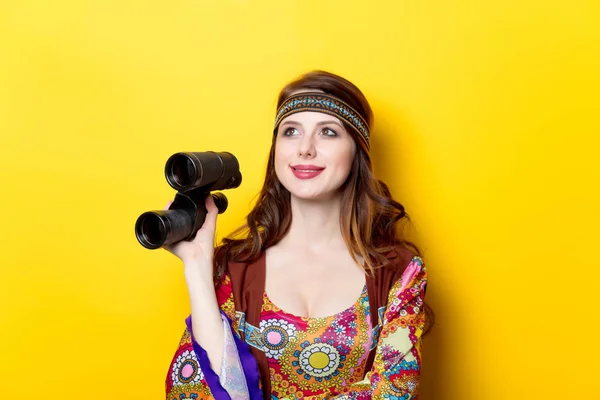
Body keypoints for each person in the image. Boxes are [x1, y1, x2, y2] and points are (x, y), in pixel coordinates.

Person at [163, 71, 431, 400]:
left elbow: (393, 391)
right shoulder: (235, 266)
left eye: (328, 133)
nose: (305, 149)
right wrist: (196, 265)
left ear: (356, 153)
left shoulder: (398, 271)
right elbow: (197, 390)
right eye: (291, 132)